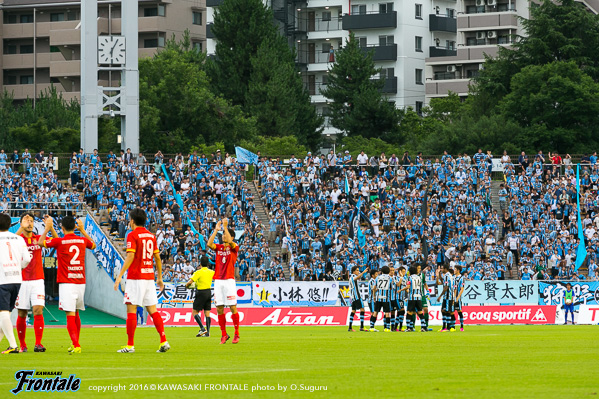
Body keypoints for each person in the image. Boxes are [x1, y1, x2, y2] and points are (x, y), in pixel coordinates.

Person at [113, 208, 169, 353]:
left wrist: (120, 275)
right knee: (152, 310)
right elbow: (157, 258)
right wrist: (160, 278)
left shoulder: (132, 235)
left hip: (136, 277)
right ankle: (163, 340)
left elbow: (130, 256)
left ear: (132, 221)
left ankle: (130, 345)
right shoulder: (151, 236)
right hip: (149, 277)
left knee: (131, 309)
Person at [40, 216, 95, 354]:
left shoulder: (61, 241)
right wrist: (82, 230)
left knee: (69, 314)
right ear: (75, 227)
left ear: (62, 228)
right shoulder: (81, 240)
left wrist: (47, 228)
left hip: (67, 282)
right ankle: (75, 343)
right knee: (75, 313)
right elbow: (93, 245)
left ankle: (76, 345)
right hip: (80, 282)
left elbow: (41, 242)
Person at [15, 213, 57, 353]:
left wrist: (50, 228)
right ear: (21, 223)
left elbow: (57, 242)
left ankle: (38, 343)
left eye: (32, 221)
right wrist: (22, 227)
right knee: (22, 312)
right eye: (26, 220)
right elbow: (11, 241)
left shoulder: (39, 238)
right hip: (21, 280)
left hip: (38, 279)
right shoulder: (17, 240)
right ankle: (22, 345)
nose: (30, 223)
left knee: (38, 309)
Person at [0, 213, 32, 353]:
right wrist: (19, 268)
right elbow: (27, 258)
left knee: (3, 313)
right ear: (9, 224)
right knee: (4, 314)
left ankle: (13, 345)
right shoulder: (19, 239)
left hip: (2, 279)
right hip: (17, 280)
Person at [207, 218, 240, 344]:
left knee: (232, 307)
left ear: (231, 236)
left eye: (225, 235)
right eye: (223, 235)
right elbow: (209, 244)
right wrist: (217, 230)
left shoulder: (234, 247)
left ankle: (237, 333)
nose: (223, 237)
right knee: (219, 308)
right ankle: (224, 334)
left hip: (229, 280)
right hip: (218, 281)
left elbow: (231, 243)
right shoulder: (219, 248)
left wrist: (226, 227)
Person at [186, 255, 214, 337]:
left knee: (195, 312)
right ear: (208, 263)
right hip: (209, 292)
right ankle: (208, 332)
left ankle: (202, 328)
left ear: (200, 263)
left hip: (201, 292)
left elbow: (190, 282)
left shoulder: (198, 272)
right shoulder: (211, 272)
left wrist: (187, 286)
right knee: (207, 313)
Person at [405, 266, 426, 332]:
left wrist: (402, 289)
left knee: (409, 312)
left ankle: (409, 328)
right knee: (420, 312)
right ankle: (423, 327)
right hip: (418, 297)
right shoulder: (419, 278)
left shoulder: (409, 278)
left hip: (412, 297)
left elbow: (408, 287)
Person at [348, 266, 368, 332]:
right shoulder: (353, 276)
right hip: (357, 297)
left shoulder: (351, 277)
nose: (358, 271)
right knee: (362, 310)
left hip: (353, 297)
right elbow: (356, 278)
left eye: (358, 270)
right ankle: (361, 326)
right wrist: (363, 272)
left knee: (353, 311)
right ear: (353, 271)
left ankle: (350, 327)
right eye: (357, 270)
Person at [373, 266, 392, 332]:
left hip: (378, 297)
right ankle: (387, 328)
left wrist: (374, 296)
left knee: (375, 312)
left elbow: (374, 288)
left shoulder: (377, 277)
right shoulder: (390, 278)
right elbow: (391, 287)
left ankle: (372, 327)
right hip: (386, 298)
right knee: (387, 313)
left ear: (382, 271)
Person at [437, 264, 455, 332]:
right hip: (447, 297)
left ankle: (448, 327)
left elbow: (446, 287)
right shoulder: (446, 276)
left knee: (447, 311)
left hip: (448, 296)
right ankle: (444, 327)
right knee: (443, 310)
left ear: (445, 269)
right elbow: (443, 282)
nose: (441, 270)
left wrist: (440, 296)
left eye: (442, 268)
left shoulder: (447, 276)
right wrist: (439, 274)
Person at [453, 266, 465, 331]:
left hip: (458, 298)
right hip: (452, 297)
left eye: (455, 269)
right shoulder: (453, 277)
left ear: (458, 270)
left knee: (459, 312)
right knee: (452, 312)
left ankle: (461, 326)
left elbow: (462, 289)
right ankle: (453, 326)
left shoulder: (461, 278)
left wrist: (458, 297)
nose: (454, 270)